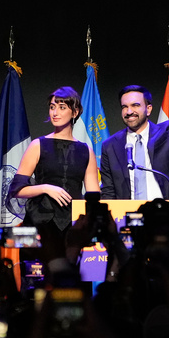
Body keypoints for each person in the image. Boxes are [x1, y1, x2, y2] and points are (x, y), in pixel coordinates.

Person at [99, 56, 169, 225]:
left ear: (149, 108)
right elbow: (108, 191)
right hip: (127, 221)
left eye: (135, 105)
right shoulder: (111, 145)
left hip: (167, 218)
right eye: (125, 107)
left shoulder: (167, 133)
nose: (129, 111)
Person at [8, 86, 100, 230]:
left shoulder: (86, 151)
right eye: (52, 107)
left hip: (74, 223)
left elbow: (94, 196)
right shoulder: (38, 145)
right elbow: (17, 190)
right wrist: (45, 188)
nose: (55, 113)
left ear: (75, 112)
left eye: (62, 107)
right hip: (41, 220)